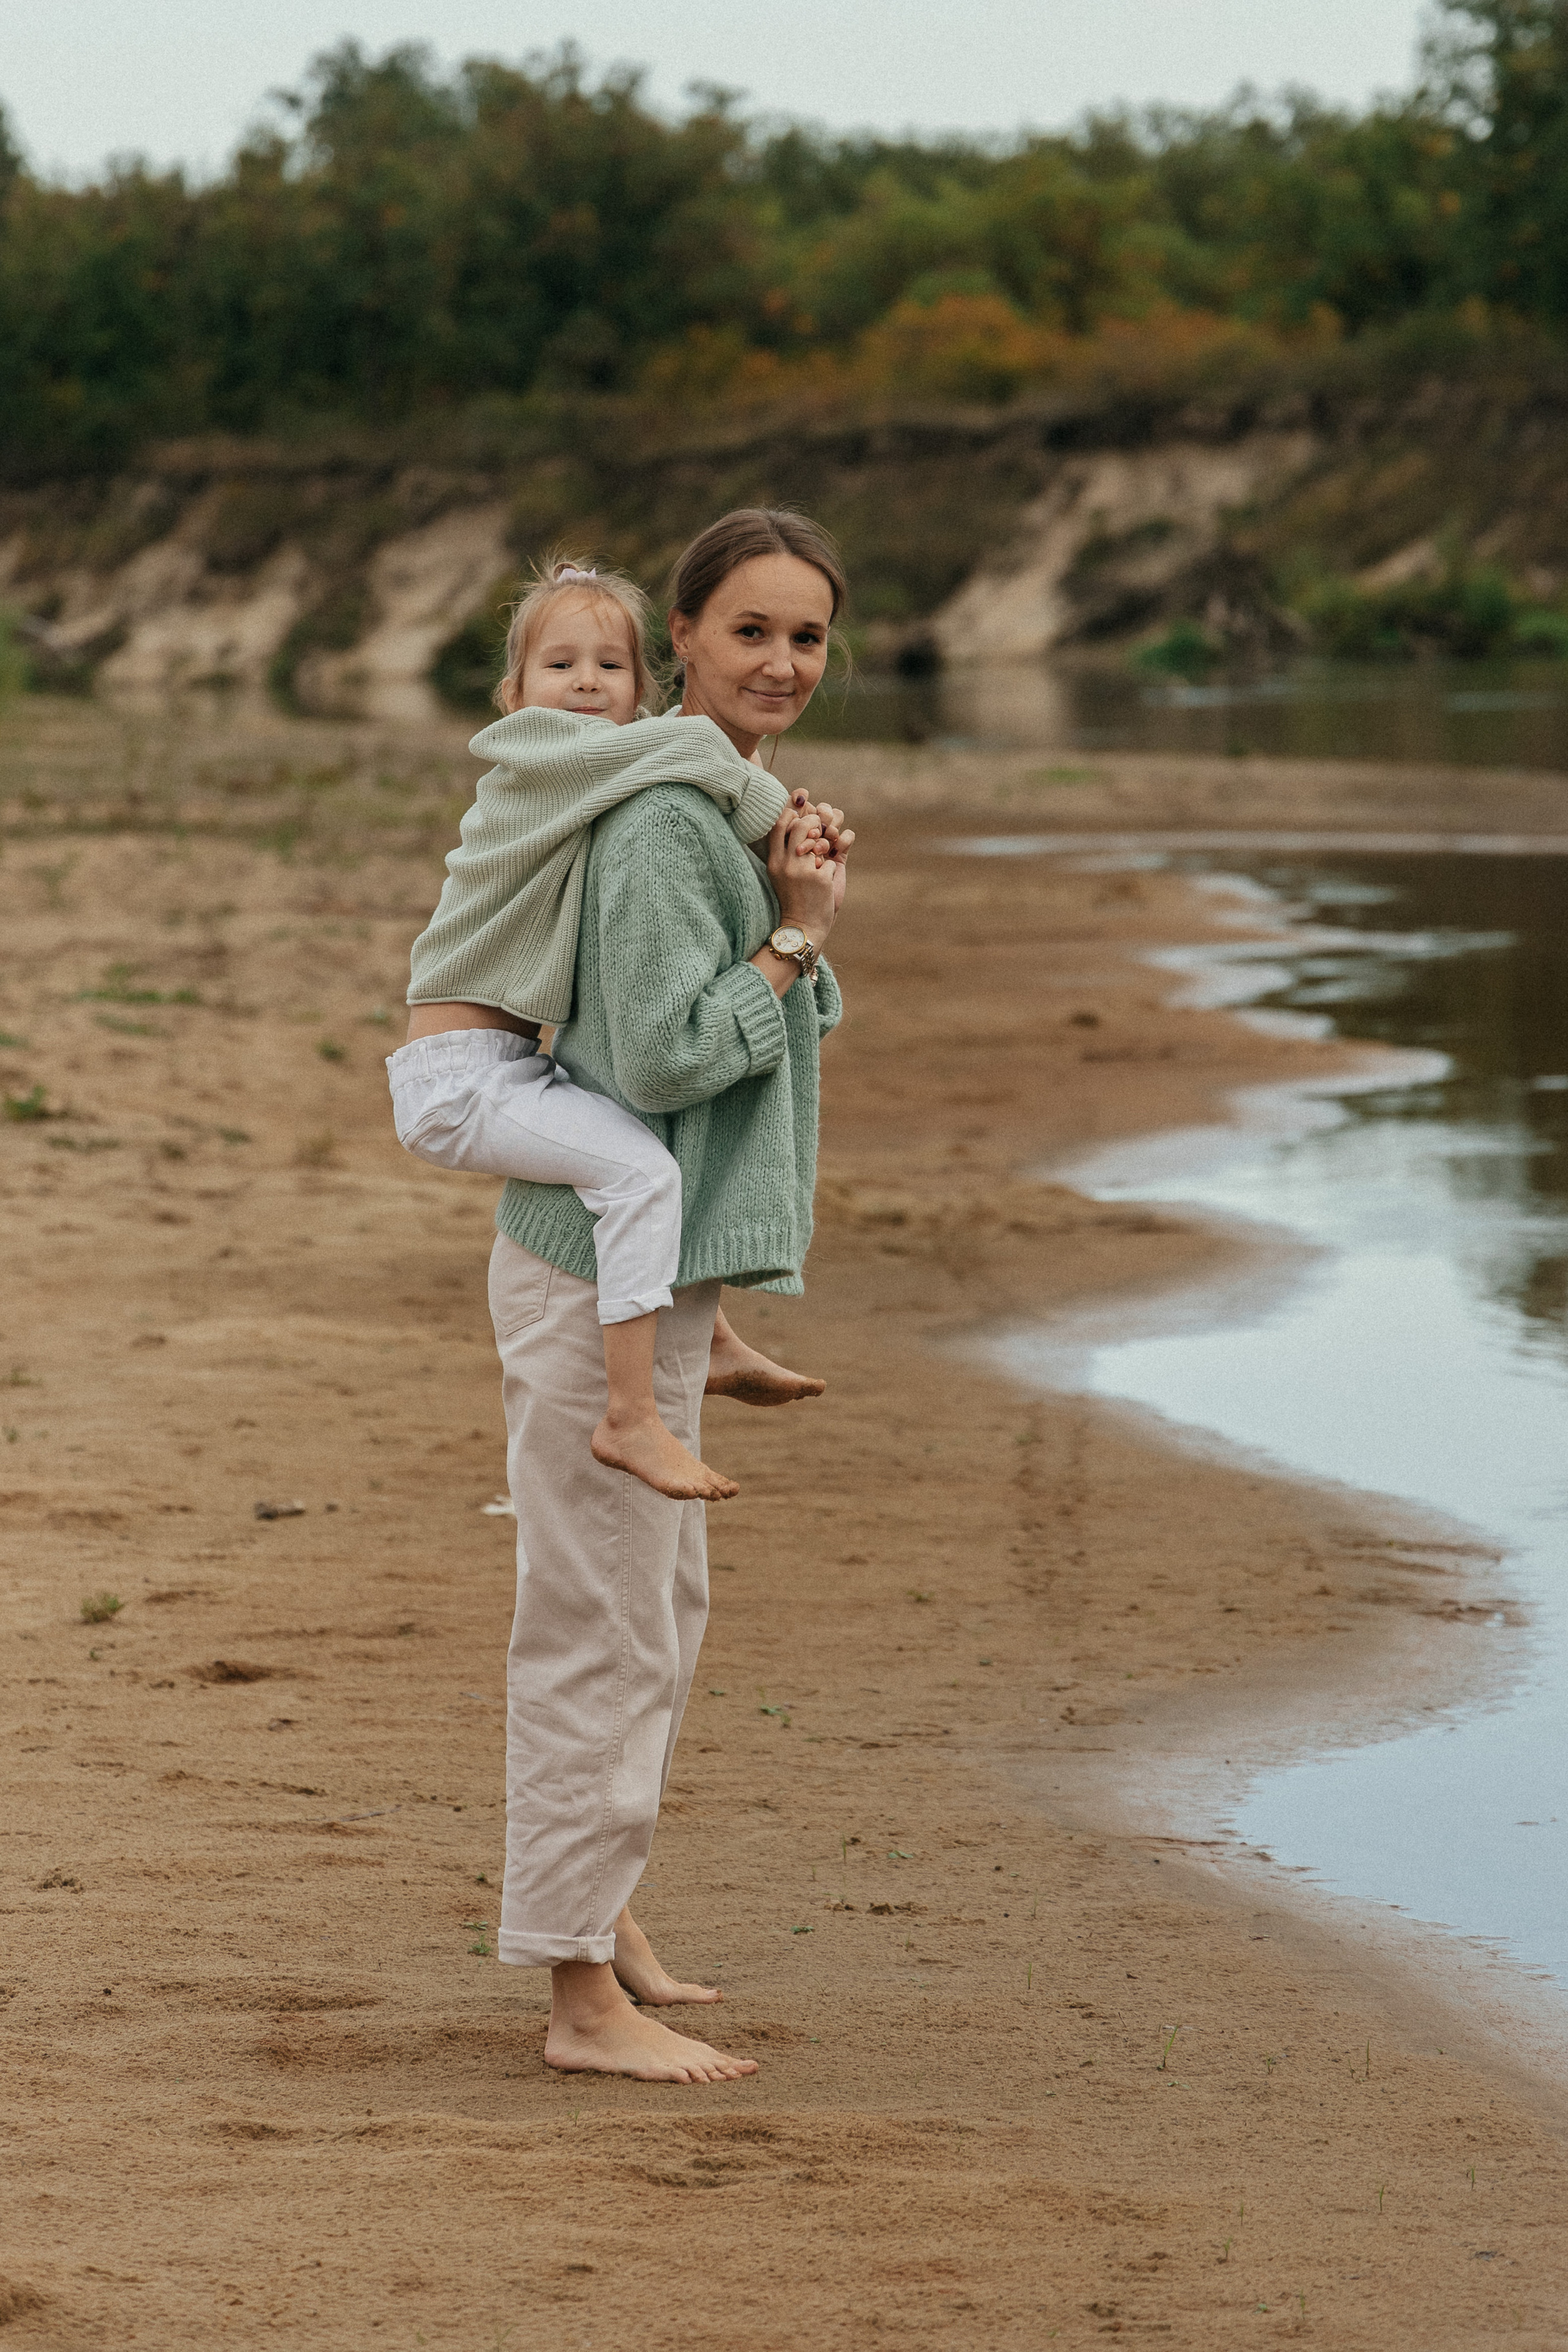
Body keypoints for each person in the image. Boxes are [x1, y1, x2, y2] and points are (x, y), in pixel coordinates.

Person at [487, 508, 852, 2081]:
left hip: (658, 1274)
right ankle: (578, 2003)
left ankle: (606, 1917)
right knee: (604, 1629)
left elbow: (749, 1042)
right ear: (680, 641)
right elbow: (658, 1058)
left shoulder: (719, 810)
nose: (781, 661)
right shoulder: (656, 823)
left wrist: (788, 892)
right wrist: (794, 940)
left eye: (806, 635)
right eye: (748, 630)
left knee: (659, 1616)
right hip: (592, 1277)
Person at [386, 556, 831, 1503]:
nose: (585, 684)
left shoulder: (607, 769)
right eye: (560, 666)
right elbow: (704, 755)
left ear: (641, 689)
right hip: (456, 1077)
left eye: (608, 667)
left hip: (510, 1063)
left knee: (639, 1165)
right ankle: (629, 1415)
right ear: (514, 695)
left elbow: (695, 764)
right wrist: (786, 825)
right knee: (640, 1172)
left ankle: (710, 1338)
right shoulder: (545, 753)